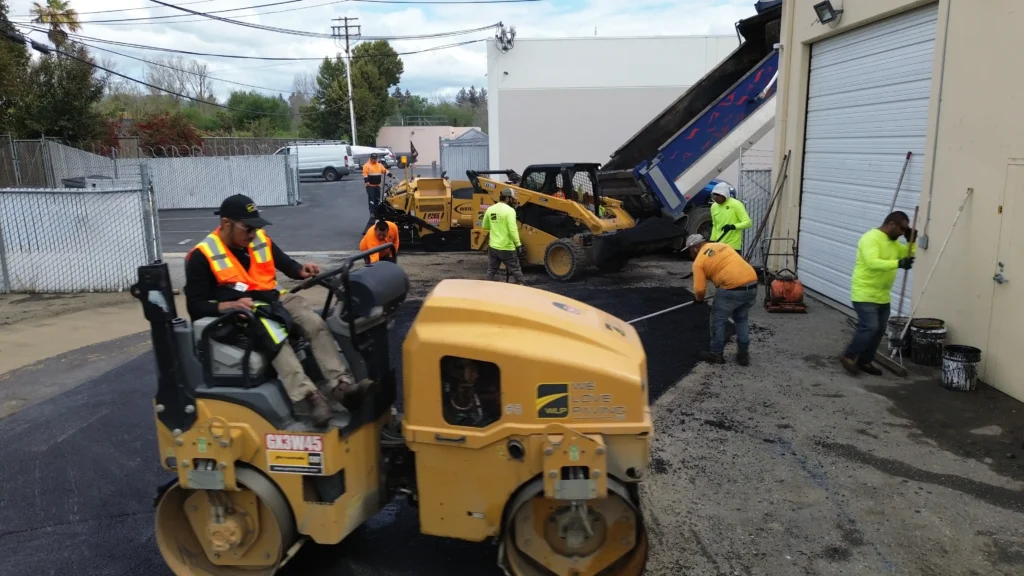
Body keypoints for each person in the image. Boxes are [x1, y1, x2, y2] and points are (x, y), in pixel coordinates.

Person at [184, 194, 368, 428]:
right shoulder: (202, 255)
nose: (253, 235)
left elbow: (285, 264)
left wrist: (301, 270)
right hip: (242, 315)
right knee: (274, 334)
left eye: (256, 228)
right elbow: (195, 305)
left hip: (274, 300)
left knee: (313, 321)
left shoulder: (258, 239)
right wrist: (227, 306)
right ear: (226, 224)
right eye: (247, 229)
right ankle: (308, 397)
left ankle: (341, 386)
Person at [840, 211, 917, 376]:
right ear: (891, 224)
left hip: (883, 295)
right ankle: (849, 355)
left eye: (906, 230)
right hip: (864, 292)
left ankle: (865, 361)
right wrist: (898, 263)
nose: (903, 232)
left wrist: (911, 242)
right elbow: (872, 262)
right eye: (901, 229)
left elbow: (907, 256)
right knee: (870, 326)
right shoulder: (870, 238)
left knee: (880, 330)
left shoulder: (894, 243)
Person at [686, 233, 759, 366]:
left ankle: (716, 354)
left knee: (717, 321)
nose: (690, 254)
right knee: (741, 318)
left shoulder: (699, 262)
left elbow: (699, 289)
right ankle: (743, 355)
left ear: (695, 248)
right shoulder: (723, 246)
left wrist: (699, 300)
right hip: (752, 283)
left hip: (731, 288)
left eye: (689, 250)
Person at [482, 188, 526, 285]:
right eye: (511, 199)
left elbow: (485, 226)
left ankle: (486, 289)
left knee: (491, 270)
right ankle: (522, 289)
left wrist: (495, 226)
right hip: (507, 248)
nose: (513, 201)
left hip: (493, 247)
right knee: (516, 270)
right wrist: (518, 245)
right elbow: (513, 230)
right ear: (507, 198)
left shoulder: (490, 209)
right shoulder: (510, 211)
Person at [709, 182, 752, 251]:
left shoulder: (736, 204)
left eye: (717, 195)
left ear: (724, 194)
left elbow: (748, 223)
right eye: (714, 195)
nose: (715, 197)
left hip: (733, 246)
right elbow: (715, 225)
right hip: (719, 245)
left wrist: (732, 226)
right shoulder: (714, 207)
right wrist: (712, 240)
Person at [362, 152, 388, 231]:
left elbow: (385, 171)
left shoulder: (379, 165)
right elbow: (365, 175)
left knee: (377, 199)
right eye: (373, 158)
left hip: (377, 185)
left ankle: (376, 211)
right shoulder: (366, 165)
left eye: (375, 158)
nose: (374, 160)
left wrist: (391, 175)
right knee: (371, 199)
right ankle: (372, 212)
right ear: (370, 158)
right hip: (370, 186)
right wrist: (367, 182)